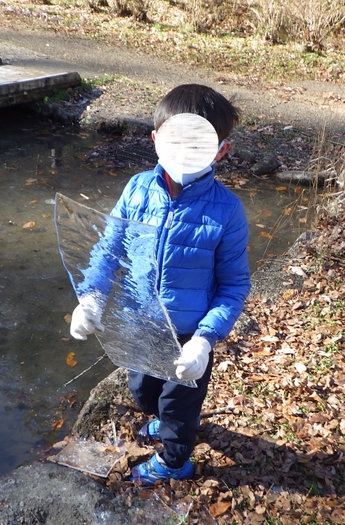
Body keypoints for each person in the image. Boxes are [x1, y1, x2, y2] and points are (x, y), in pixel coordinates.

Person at [70, 83, 251, 484]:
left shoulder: (227, 212)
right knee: (144, 394)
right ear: (155, 141)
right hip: (141, 324)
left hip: (188, 333)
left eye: (199, 143)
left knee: (178, 406)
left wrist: (204, 340)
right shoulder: (137, 189)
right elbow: (108, 248)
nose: (185, 153)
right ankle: (163, 421)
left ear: (221, 150)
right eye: (176, 141)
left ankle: (175, 461)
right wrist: (92, 298)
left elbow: (234, 285)